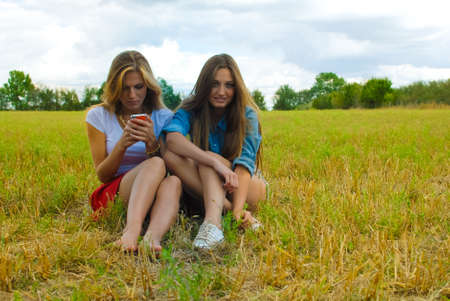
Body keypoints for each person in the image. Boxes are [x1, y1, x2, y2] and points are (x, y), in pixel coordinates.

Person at [163, 53, 267, 250]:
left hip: (245, 186)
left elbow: (245, 165)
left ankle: (214, 222)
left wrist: (238, 209)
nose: (221, 91)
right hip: (208, 184)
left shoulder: (247, 114)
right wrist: (214, 163)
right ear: (204, 85)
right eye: (214, 84)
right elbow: (172, 139)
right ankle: (218, 220)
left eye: (228, 85)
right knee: (171, 155)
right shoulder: (192, 109)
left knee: (207, 159)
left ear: (236, 87)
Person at [85, 50, 181, 253]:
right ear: (114, 87)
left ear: (149, 86)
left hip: (155, 190)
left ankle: (152, 239)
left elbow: (173, 167)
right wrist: (122, 145)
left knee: (174, 181)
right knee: (156, 163)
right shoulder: (99, 116)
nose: (132, 95)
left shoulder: (163, 117)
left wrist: (151, 144)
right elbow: (102, 175)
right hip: (117, 191)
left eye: (138, 87)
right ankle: (132, 231)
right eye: (124, 88)